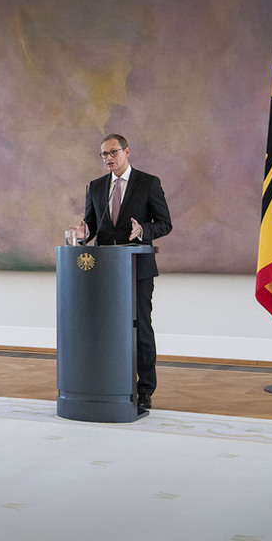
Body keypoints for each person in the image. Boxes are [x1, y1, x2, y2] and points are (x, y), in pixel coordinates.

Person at [71, 134, 172, 411]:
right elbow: (92, 226)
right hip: (105, 272)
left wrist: (143, 232)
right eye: (103, 155)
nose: (108, 158)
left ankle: (145, 389)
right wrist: (83, 234)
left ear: (127, 151)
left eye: (113, 152)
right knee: (109, 329)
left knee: (140, 329)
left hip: (137, 268)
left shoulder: (149, 183)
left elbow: (165, 223)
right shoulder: (95, 187)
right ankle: (110, 382)